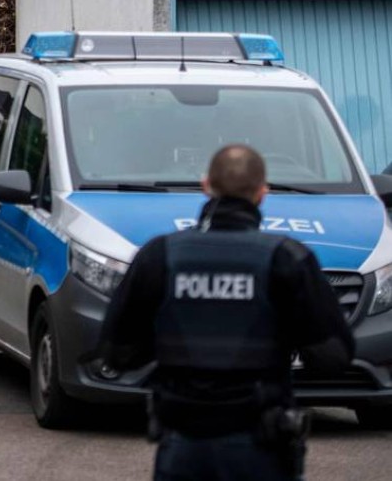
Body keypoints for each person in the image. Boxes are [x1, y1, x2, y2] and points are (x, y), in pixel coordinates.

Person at [93, 144, 354, 481]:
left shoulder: (161, 255)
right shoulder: (287, 259)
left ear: (205, 186)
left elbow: (116, 353)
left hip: (183, 445)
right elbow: (333, 357)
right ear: (263, 193)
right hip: (260, 446)